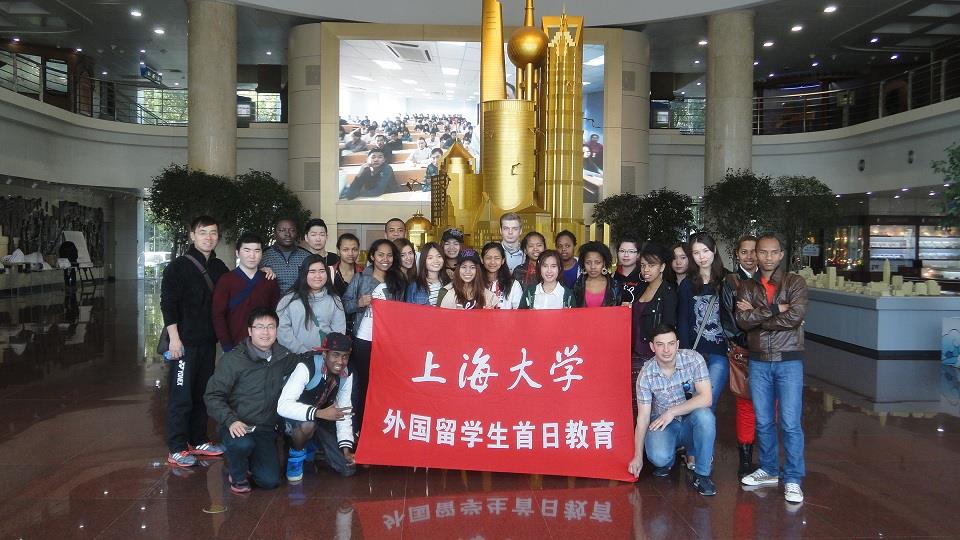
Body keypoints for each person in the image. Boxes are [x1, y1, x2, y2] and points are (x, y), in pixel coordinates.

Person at [736, 233, 809, 504]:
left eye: (772, 252)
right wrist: (777, 308)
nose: (767, 257)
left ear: (780, 255)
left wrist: (760, 317)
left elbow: (796, 316)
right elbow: (743, 321)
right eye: (762, 252)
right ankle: (768, 469)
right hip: (758, 361)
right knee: (764, 420)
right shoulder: (747, 286)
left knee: (789, 422)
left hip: (788, 360)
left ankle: (793, 478)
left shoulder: (795, 282)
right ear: (756, 254)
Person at [203, 308, 301, 493]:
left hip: (264, 428)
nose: (266, 332)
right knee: (242, 444)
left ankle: (247, 460)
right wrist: (230, 420)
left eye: (271, 327)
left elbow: (304, 363)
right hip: (237, 425)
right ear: (250, 331)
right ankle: (237, 472)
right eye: (260, 327)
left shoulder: (282, 356)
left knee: (270, 481)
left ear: (277, 330)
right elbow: (212, 395)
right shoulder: (233, 360)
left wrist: (326, 360)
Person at [161, 215, 230, 467]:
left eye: (213, 233)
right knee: (181, 396)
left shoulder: (219, 267)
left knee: (202, 392)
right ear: (192, 235)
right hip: (184, 343)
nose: (208, 238)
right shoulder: (178, 267)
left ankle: (198, 439)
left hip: (207, 342)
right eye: (203, 232)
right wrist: (174, 340)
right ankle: (177, 447)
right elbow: (168, 304)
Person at [627, 324, 717, 497]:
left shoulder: (693, 359)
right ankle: (670, 457)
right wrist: (637, 456)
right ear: (652, 347)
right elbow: (643, 417)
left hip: (690, 421)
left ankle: (702, 475)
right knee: (659, 458)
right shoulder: (646, 374)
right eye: (660, 344)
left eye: (671, 343)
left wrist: (672, 412)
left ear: (677, 344)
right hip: (664, 424)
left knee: (706, 417)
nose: (666, 350)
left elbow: (706, 398)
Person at [343, 239, 407, 435]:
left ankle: (383, 426)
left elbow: (404, 313)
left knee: (386, 384)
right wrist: (359, 303)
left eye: (389, 255)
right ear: (372, 256)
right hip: (364, 340)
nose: (385, 259)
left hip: (388, 342)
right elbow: (344, 305)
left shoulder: (398, 281)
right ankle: (362, 428)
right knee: (363, 384)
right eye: (380, 255)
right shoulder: (360, 278)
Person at [277, 332, 356, 482]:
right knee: (308, 425)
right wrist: (318, 413)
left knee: (347, 468)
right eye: (335, 355)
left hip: (320, 418)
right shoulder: (307, 366)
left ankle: (310, 449)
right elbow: (283, 406)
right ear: (325, 354)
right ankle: (295, 457)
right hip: (293, 419)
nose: (340, 361)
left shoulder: (346, 374)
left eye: (345, 356)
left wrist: (346, 449)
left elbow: (344, 411)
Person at [677, 232, 729, 412]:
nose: (702, 257)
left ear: (714, 250)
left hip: (720, 352)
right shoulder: (687, 284)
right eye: (696, 253)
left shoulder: (727, 280)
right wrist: (685, 354)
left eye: (705, 251)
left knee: (707, 403)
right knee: (693, 404)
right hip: (694, 352)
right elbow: (683, 320)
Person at [724, 235, 759, 476]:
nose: (750, 256)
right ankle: (745, 461)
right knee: (746, 405)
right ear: (737, 254)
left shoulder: (771, 280)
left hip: (771, 353)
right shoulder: (731, 282)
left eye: (754, 251)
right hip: (744, 352)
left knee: (769, 406)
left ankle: (765, 459)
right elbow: (730, 323)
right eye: (744, 252)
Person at [212, 233, 281, 353]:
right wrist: (226, 345)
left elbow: (276, 313)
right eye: (247, 250)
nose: (252, 256)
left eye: (257, 251)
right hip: (235, 346)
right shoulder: (226, 280)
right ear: (237, 253)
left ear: (262, 253)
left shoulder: (269, 280)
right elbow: (218, 315)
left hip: (265, 345)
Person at [277, 255, 347, 354]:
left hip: (326, 358)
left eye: (322, 271)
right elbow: (282, 331)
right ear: (304, 274)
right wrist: (304, 353)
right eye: (312, 272)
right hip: (296, 357)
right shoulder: (289, 300)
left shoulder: (334, 299)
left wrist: (328, 354)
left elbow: (339, 332)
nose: (318, 276)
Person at [632, 243, 678, 365]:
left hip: (654, 356)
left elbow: (668, 328)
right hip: (634, 352)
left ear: (662, 267)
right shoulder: (640, 288)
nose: (646, 270)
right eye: (643, 265)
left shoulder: (668, 293)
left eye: (651, 265)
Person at [260, 218, 310, 295]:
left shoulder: (307, 256)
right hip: (273, 302)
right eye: (282, 230)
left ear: (297, 233)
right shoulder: (263, 256)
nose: (287, 234)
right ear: (274, 234)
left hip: (301, 301)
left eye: (292, 230)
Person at [571, 241, 623, 307]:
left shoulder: (614, 286)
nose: (593, 267)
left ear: (604, 263)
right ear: (583, 263)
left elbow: (619, 308)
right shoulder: (578, 285)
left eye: (597, 262)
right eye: (588, 262)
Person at [481, 242, 521, 309]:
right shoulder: (476, 283)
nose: (492, 262)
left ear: (503, 260)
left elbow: (519, 311)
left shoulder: (513, 285)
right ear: (482, 260)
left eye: (497, 258)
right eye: (488, 258)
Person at [333, 233, 363, 298]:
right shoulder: (330, 272)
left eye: (354, 249)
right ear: (338, 251)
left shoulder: (363, 273)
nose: (350, 254)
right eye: (345, 250)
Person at [615, 238, 643, 305]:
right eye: (622, 251)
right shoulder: (612, 277)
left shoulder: (644, 276)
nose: (626, 255)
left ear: (638, 254)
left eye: (631, 251)